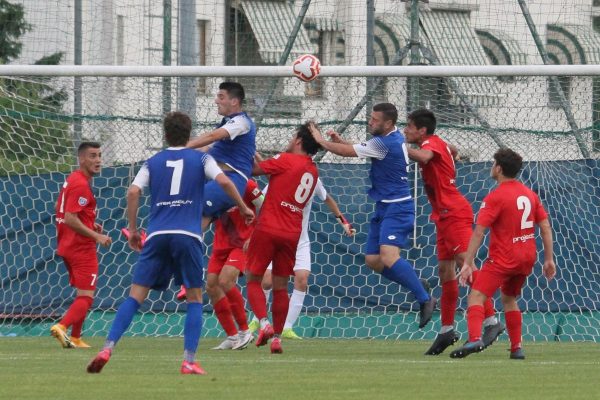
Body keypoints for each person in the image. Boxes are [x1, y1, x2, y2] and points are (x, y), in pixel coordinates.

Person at [86, 111, 254, 375]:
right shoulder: (202, 158)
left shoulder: (153, 161)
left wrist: (132, 230)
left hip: (156, 235)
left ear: (165, 134)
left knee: (135, 297)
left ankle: (107, 347)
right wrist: (243, 206)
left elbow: (133, 192)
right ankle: (188, 360)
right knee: (196, 299)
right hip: (187, 235)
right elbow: (223, 182)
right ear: (190, 135)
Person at [309, 104, 436, 329]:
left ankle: (425, 299)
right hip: (383, 207)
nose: (370, 122)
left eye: (375, 120)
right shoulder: (390, 138)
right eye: (371, 118)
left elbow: (351, 152)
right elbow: (362, 149)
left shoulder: (387, 142)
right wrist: (340, 142)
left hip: (398, 208)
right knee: (373, 260)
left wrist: (320, 140)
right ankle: (417, 284)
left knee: (388, 257)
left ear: (387, 123)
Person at [403, 109, 504, 355]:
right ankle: (447, 330)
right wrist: (451, 157)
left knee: (465, 265)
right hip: (443, 215)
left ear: (422, 131)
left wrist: (399, 148)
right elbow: (453, 150)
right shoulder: (439, 142)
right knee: (445, 271)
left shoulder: (429, 144)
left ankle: (491, 321)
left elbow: (426, 156)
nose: (405, 130)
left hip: (454, 212)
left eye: (409, 126)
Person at [450, 148, 556, 359]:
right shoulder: (530, 194)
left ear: (498, 168)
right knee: (509, 298)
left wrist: (467, 263)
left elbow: (479, 232)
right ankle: (517, 348)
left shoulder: (495, 197)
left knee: (476, 296)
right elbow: (545, 227)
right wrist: (549, 259)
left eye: (493, 164)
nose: (492, 167)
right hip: (526, 257)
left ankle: (473, 339)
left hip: (504, 257)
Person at [245, 122, 321, 354]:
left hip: (268, 227)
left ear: (298, 140)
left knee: (253, 278)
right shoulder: (313, 171)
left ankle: (264, 324)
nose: (290, 139)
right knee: (280, 286)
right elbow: (271, 168)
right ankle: (277, 338)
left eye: (292, 135)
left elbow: (255, 170)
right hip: (292, 234)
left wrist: (243, 150)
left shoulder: (285, 159)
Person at [248, 178, 355, 339]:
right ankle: (257, 320)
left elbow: (327, 198)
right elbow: (259, 200)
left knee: (302, 278)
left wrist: (344, 222)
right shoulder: (282, 175)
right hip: (276, 235)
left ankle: (287, 327)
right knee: (268, 279)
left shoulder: (313, 179)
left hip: (300, 241)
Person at [51, 142, 112, 349]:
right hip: (80, 247)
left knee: (82, 294)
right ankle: (62, 326)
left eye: (100, 156)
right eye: (93, 156)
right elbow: (69, 217)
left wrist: (88, 222)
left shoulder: (73, 180)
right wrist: (96, 235)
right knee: (87, 296)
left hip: (67, 245)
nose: (98, 161)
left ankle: (76, 338)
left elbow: (60, 209)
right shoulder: (80, 184)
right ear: (82, 159)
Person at [186, 81, 256, 231]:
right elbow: (205, 148)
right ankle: (174, 251)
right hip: (215, 178)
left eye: (221, 97)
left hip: (231, 179)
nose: (216, 101)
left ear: (234, 101)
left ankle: (169, 249)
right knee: (194, 218)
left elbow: (212, 136)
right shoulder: (227, 124)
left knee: (193, 213)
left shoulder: (241, 122)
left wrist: (181, 147)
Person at [207, 179, 264, 350]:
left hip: (241, 244)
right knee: (212, 287)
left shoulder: (247, 185)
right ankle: (232, 336)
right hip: (220, 245)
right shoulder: (211, 185)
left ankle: (245, 331)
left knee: (225, 281)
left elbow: (267, 208)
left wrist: (254, 236)